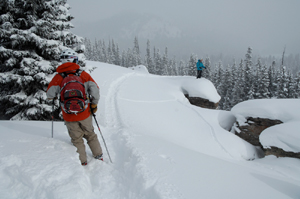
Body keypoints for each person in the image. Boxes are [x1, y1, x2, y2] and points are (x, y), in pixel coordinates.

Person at [47, 49, 103, 166]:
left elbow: (50, 95)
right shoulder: (83, 75)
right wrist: (94, 104)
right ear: (74, 60)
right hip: (85, 112)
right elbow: (95, 91)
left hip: (68, 114)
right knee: (90, 135)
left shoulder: (58, 77)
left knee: (77, 139)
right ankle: (99, 156)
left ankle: (83, 162)